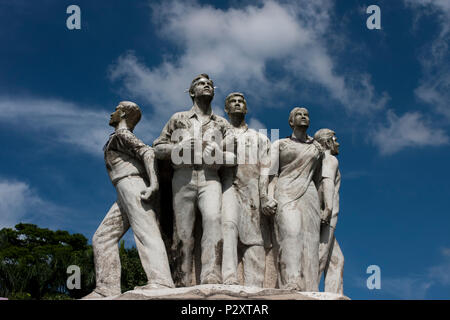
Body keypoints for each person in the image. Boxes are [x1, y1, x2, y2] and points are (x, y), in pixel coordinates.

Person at [83, 101, 174, 299]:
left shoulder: (121, 135)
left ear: (123, 113)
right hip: (123, 189)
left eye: (115, 109)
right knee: (102, 238)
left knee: (145, 232)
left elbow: (147, 152)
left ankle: (161, 281)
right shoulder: (117, 136)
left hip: (134, 185)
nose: (111, 113)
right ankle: (106, 288)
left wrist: (153, 184)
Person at [153, 74, 235, 286]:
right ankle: (181, 279)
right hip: (183, 176)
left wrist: (218, 154)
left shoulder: (222, 123)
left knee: (213, 220)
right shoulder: (177, 118)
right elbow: (157, 149)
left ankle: (211, 275)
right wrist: (178, 149)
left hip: (210, 177)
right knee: (182, 230)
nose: (206, 85)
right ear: (191, 92)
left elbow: (235, 154)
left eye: (209, 84)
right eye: (200, 83)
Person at [220, 92, 276, 287]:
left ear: (246, 108)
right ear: (226, 109)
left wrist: (266, 196)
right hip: (227, 189)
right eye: (232, 102)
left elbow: (268, 172)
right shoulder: (218, 135)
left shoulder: (260, 138)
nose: (237, 104)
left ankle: (256, 289)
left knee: (255, 241)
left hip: (253, 194)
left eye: (240, 102)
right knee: (228, 229)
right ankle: (228, 279)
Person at [267, 107, 323, 291]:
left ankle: (310, 286)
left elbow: (320, 178)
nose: (304, 117)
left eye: (307, 114)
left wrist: (325, 205)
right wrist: (267, 196)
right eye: (299, 114)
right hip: (285, 190)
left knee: (311, 241)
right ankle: (291, 281)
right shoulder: (280, 144)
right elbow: (271, 174)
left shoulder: (316, 148)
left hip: (310, 194)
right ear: (291, 121)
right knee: (291, 233)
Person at [314, 128, 344, 294]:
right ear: (327, 142)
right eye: (335, 139)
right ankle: (309, 289)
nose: (337, 143)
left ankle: (333, 295)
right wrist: (328, 208)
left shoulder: (320, 159)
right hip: (327, 211)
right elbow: (327, 182)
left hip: (323, 209)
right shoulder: (330, 159)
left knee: (337, 260)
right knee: (321, 254)